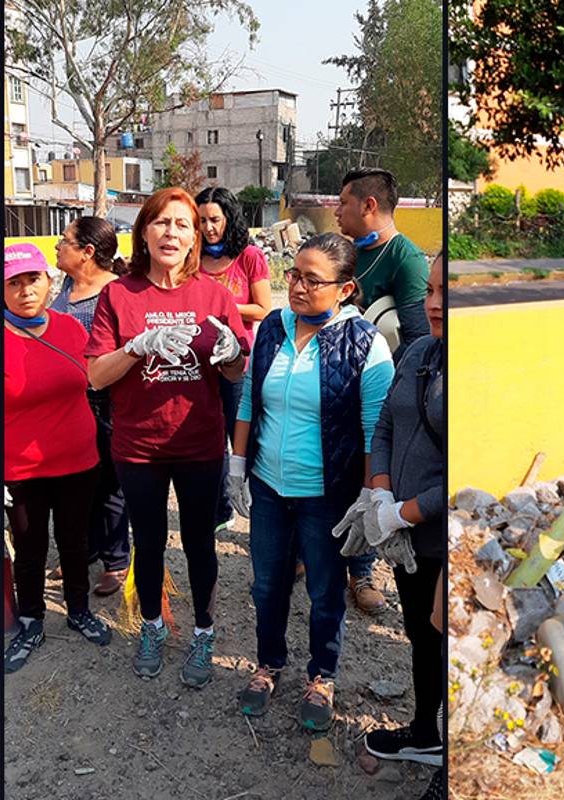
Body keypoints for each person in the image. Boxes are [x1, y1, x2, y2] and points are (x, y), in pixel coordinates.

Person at [226, 233, 394, 732]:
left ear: (344, 289)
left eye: (312, 280)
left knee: (324, 591)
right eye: (293, 275)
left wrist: (369, 494)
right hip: (270, 489)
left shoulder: (366, 344)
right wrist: (237, 465)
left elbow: (372, 430)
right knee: (266, 584)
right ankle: (268, 664)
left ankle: (322, 676)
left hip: (327, 496)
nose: (296, 287)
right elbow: (247, 403)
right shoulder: (275, 328)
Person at [85, 188, 250, 688]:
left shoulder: (215, 294)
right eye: (161, 223)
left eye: (183, 224)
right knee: (150, 542)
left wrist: (229, 355)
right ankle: (153, 627)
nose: (171, 233)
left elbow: (237, 370)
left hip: (199, 443)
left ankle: (203, 631)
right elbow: (95, 376)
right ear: (144, 233)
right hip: (139, 447)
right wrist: (136, 346)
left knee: (201, 543)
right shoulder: (119, 294)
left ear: (196, 235)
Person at [4, 243, 112, 674]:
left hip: (79, 459)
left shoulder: (70, 328)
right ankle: (31, 620)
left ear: (50, 282)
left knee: (76, 542)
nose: (26, 290)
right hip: (20, 467)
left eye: (33, 279)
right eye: (14, 283)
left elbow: (99, 379)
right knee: (30, 548)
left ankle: (79, 609)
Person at [361, 251, 446, 790]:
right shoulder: (418, 350)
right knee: (420, 635)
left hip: (442, 538)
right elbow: (386, 427)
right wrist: (379, 494)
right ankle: (424, 732)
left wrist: (404, 512)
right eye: (431, 291)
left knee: (445, 640)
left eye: (447, 293)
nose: (433, 304)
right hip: (407, 537)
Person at [334, 166, 430, 611]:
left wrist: (390, 401)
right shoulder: (345, 252)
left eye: (343, 203)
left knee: (370, 475)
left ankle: (362, 570)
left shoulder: (405, 259)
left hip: (375, 391)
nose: (336, 212)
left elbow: (415, 336)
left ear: (368, 206)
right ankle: (316, 552)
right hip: (335, 383)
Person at [50, 217, 131, 596]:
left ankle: (116, 560)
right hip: (67, 402)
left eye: (65, 242)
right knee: (78, 483)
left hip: (105, 402)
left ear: (87, 252)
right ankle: (86, 552)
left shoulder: (115, 292)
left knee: (110, 484)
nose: (57, 247)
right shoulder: (67, 285)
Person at [195, 186, 273, 533]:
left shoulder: (249, 256)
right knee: (206, 439)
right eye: (201, 221)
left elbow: (264, 309)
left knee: (241, 435)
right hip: (196, 362)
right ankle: (218, 510)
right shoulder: (191, 257)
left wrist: (221, 305)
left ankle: (263, 514)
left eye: (215, 219)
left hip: (238, 362)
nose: (209, 227)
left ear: (229, 217)